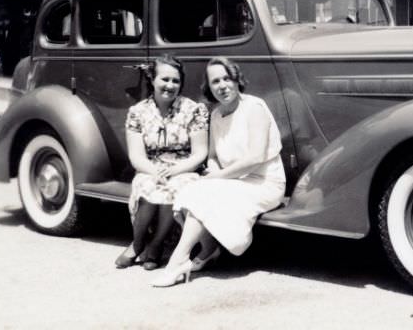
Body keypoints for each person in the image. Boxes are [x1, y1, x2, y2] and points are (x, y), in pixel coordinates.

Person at [150, 57, 286, 287]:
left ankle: (178, 261)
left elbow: (255, 158)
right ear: (209, 87)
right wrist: (213, 173)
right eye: (215, 82)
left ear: (237, 80)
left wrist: (217, 178)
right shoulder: (216, 114)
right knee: (191, 191)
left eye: (227, 78)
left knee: (205, 193)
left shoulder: (254, 107)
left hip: (264, 183)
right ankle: (208, 250)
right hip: (233, 181)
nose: (222, 86)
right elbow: (212, 156)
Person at [115, 55, 209, 270]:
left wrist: (175, 170)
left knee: (173, 188)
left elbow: (199, 153)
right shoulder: (138, 112)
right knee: (147, 186)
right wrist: (155, 171)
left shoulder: (194, 110)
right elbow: (136, 157)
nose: (170, 85)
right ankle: (138, 243)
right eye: (164, 79)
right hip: (150, 167)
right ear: (152, 80)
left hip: (185, 168)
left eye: (175, 81)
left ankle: (156, 245)